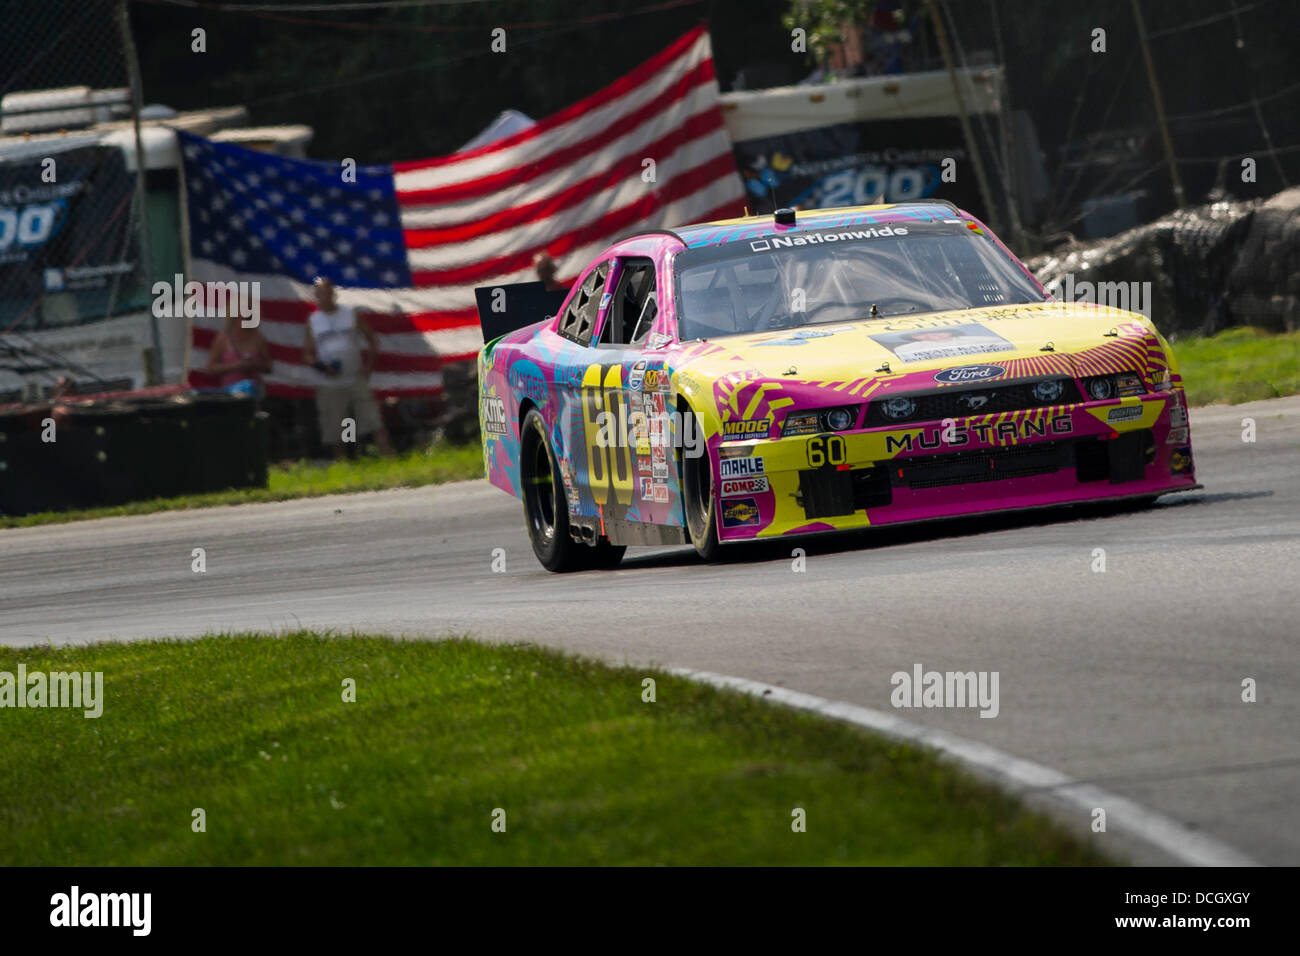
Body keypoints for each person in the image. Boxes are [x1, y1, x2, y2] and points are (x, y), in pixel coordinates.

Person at [302, 276, 394, 458]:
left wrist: (368, 367)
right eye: (321, 294)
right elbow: (307, 354)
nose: (325, 297)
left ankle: (389, 458)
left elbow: (372, 340)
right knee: (340, 423)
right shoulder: (314, 321)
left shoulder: (350, 315)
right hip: (330, 383)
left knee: (372, 420)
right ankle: (347, 461)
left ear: (334, 294)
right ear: (316, 297)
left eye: (328, 293)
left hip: (354, 377)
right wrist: (322, 367)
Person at [206, 312, 272, 400]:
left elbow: (269, 367)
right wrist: (235, 366)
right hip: (230, 393)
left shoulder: (258, 338)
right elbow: (210, 369)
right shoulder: (223, 339)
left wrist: (254, 365)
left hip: (254, 393)